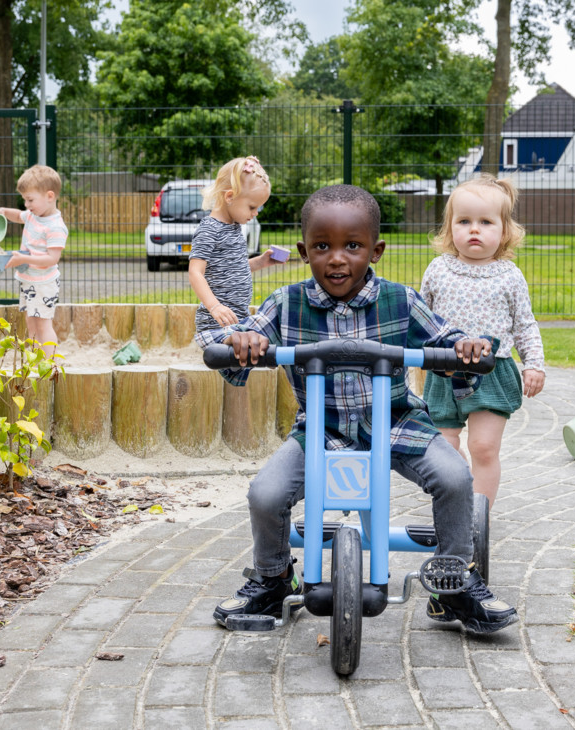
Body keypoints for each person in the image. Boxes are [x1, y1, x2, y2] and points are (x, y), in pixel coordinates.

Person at [196, 184, 519, 635]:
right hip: (321, 429)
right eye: (322, 246)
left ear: (376, 249)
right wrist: (240, 341)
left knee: (455, 477)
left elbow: (446, 339)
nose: (337, 259)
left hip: (399, 425)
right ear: (303, 251)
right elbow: (230, 340)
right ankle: (271, 579)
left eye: (353, 246)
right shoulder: (286, 304)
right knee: (265, 495)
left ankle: (453, 584)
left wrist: (464, 347)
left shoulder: (400, 301)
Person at [420, 174, 545, 509]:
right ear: (449, 229)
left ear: (504, 231)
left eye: (486, 222)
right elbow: (420, 319)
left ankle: (479, 516)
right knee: (442, 448)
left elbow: (524, 324)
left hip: (492, 373)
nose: (474, 229)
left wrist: (534, 364)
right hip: (443, 373)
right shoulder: (438, 270)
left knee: (483, 447)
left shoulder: (509, 276)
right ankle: (456, 497)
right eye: (464, 221)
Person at [188, 156, 282, 336]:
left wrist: (261, 262)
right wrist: (215, 307)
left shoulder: (235, 228)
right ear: (230, 196)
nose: (255, 213)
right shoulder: (209, 229)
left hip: (239, 320)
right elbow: (195, 273)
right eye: (252, 207)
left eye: (258, 209)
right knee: (241, 350)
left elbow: (233, 269)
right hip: (214, 324)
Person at [0, 164, 68, 357]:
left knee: (43, 324)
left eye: (30, 199)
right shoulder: (34, 215)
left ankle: (51, 365)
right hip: (28, 281)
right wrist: (3, 212)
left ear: (50, 196)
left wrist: (23, 258)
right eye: (25, 199)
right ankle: (34, 359)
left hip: (44, 284)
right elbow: (18, 215)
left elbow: (52, 258)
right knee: (30, 322)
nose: (26, 205)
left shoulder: (55, 226)